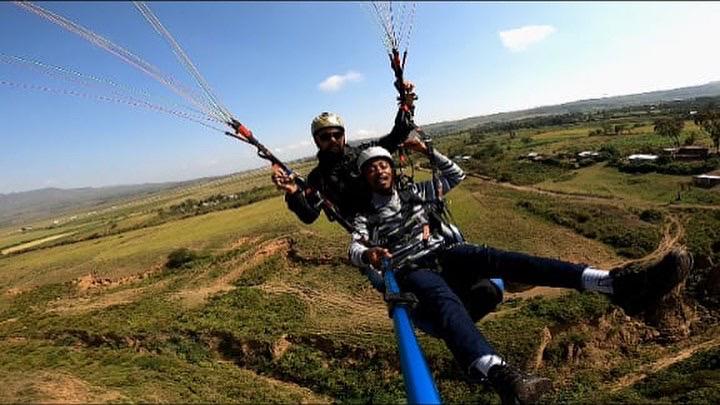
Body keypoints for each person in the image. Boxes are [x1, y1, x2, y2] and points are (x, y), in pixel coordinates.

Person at [347, 142, 693, 404]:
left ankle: (612, 283)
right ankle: (499, 372)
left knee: (503, 258)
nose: (379, 170)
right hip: (412, 268)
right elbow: (354, 248)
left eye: (383, 164)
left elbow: (455, 175)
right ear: (366, 178)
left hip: (445, 252)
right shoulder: (366, 214)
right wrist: (371, 254)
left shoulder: (416, 192)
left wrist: (427, 150)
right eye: (372, 168)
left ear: (392, 168)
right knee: (442, 300)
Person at [271, 83, 417, 225]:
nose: (333, 140)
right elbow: (309, 216)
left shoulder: (364, 153)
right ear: (316, 141)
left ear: (344, 135)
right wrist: (293, 191)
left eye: (337, 134)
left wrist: (407, 101)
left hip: (397, 216)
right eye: (325, 137)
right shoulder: (317, 178)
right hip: (367, 236)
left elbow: (397, 136)